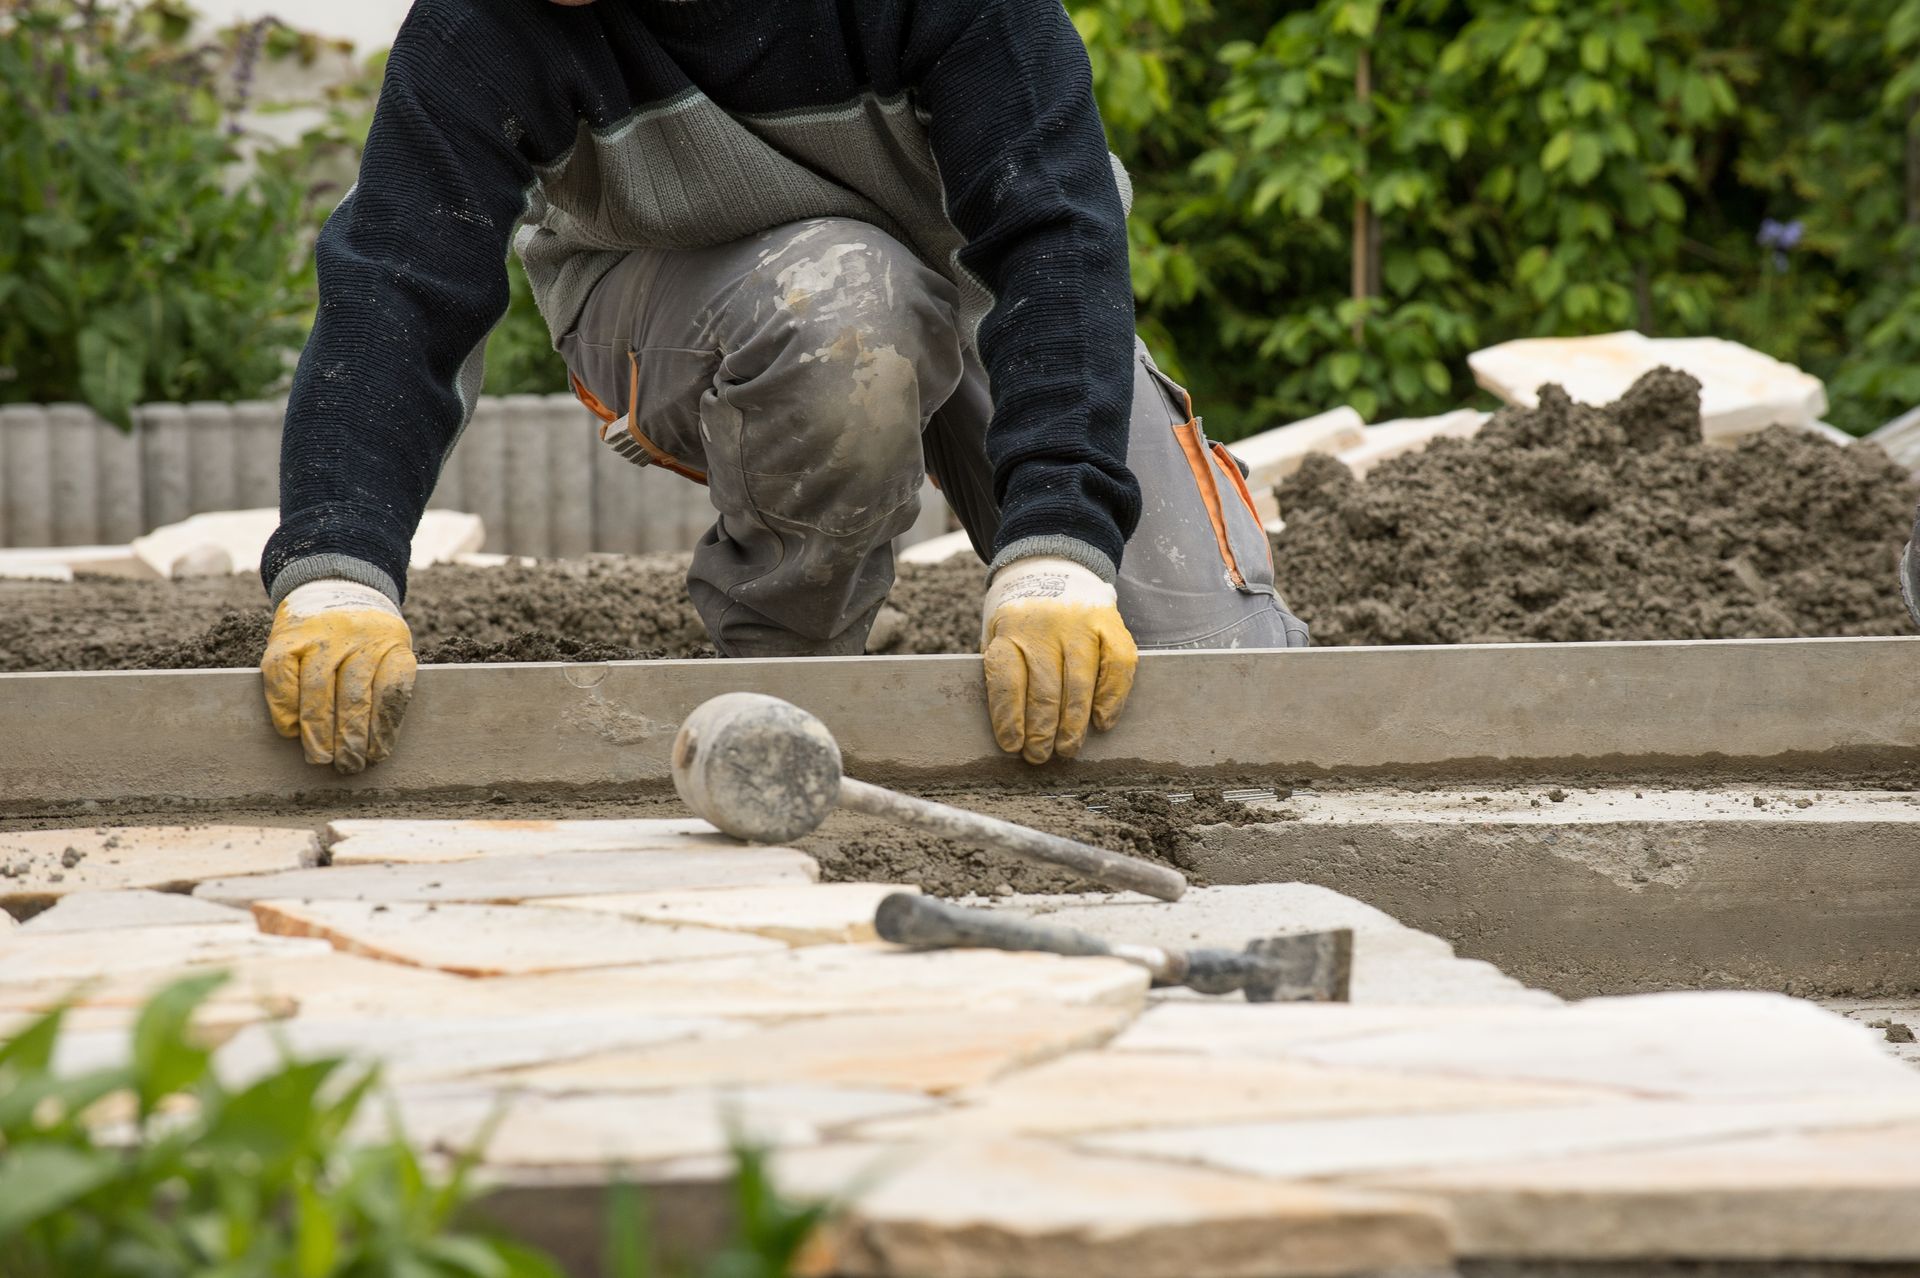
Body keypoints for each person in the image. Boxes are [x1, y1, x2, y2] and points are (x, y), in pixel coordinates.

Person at [260, 0, 1307, 776]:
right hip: (684, 296)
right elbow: (398, 288)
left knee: (1213, 684)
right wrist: (340, 570)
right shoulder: (481, 25)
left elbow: (1058, 238)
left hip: (988, 283)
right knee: (844, 302)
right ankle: (794, 654)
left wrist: (1059, 556)